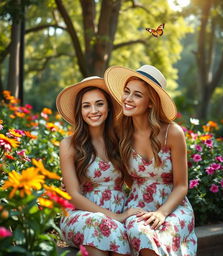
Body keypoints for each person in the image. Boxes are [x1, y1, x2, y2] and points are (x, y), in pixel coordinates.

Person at [104, 65, 197, 256]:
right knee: (140, 232)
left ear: (151, 102)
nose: (128, 99)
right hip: (138, 206)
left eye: (137, 95)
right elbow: (125, 177)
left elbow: (181, 185)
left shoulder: (172, 133)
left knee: (164, 234)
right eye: (127, 92)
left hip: (173, 207)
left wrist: (161, 213)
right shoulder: (121, 131)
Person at [56, 76, 139, 256]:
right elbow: (72, 196)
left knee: (121, 230)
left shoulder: (119, 140)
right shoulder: (69, 144)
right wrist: (115, 217)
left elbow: (134, 181)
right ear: (80, 110)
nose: (93, 110)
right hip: (82, 214)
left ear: (108, 107)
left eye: (99, 104)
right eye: (86, 106)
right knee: (101, 224)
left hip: (119, 209)